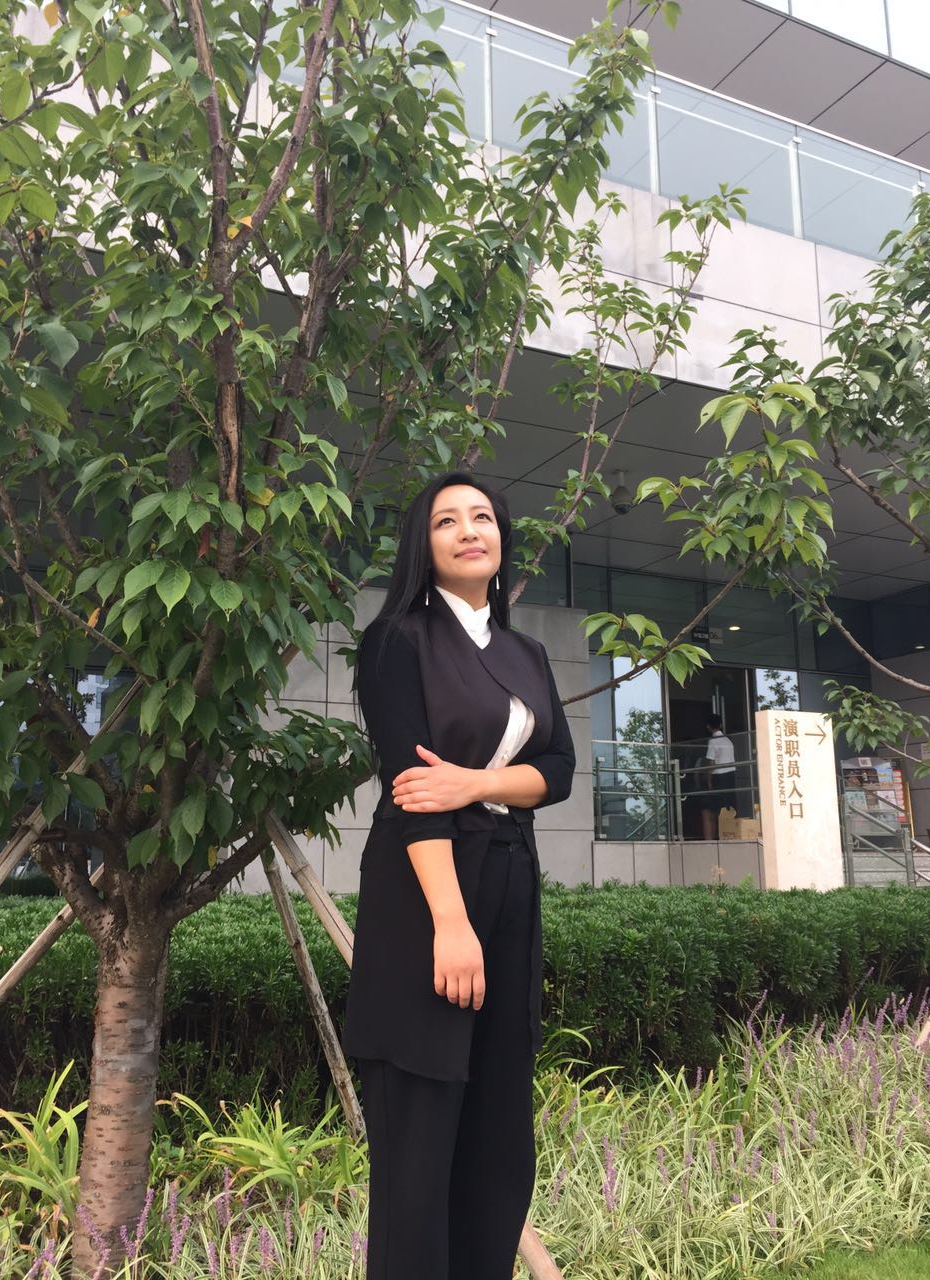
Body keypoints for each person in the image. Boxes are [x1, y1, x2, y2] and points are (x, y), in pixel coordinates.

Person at [343, 471, 576, 1280]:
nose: (469, 530)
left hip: (511, 880)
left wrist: (475, 782)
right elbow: (415, 795)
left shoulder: (526, 653)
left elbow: (559, 771)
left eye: (483, 517)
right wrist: (450, 922)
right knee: (421, 1132)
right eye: (447, 520)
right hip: (428, 894)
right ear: (425, 544)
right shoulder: (397, 641)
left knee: (498, 1132)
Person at [700, 714, 736, 840]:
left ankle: (709, 841)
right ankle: (722, 837)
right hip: (730, 777)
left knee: (708, 811)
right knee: (723, 810)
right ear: (721, 725)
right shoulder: (728, 741)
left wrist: (708, 781)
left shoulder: (713, 741)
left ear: (708, 727)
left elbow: (711, 763)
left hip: (718, 778)